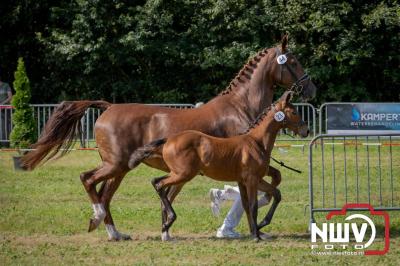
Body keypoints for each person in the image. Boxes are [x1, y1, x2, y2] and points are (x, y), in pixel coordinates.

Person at [0, 75, 13, 146]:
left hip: (6, 109)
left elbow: (10, 97)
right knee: (1, 126)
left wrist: (2, 104)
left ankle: (8, 143)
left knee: (7, 125)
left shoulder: (6, 85)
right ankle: (3, 143)